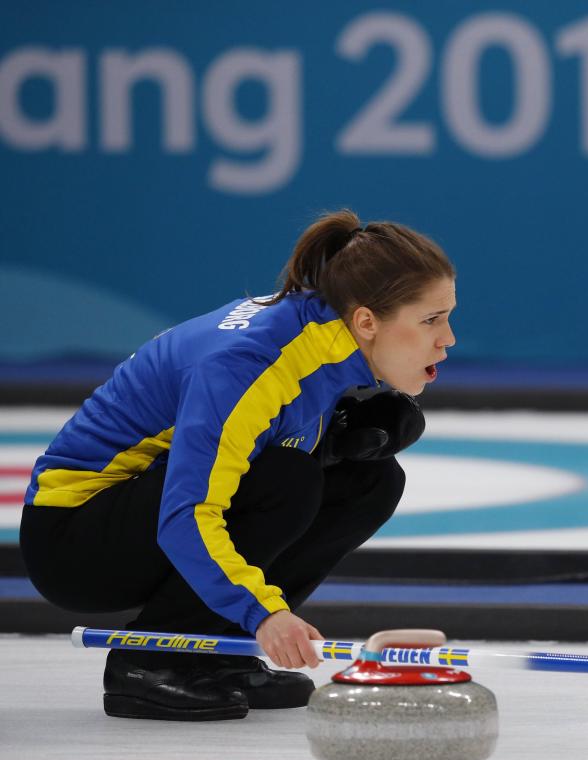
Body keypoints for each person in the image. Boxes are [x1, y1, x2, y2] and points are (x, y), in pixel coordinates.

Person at [19, 209, 456, 721]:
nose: (447, 338)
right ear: (365, 321)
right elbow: (188, 513)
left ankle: (220, 652)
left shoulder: (319, 337)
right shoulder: (250, 365)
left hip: (132, 512)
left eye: (448, 316)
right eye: (430, 320)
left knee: (370, 482)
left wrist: (335, 440)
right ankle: (151, 663)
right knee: (285, 480)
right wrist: (265, 614)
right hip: (74, 541)